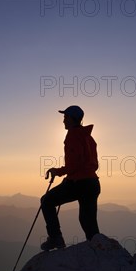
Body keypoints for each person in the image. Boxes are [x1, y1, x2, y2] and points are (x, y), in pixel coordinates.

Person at [41, 105, 100, 251]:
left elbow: (75, 163)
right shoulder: (88, 137)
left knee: (47, 201)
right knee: (88, 221)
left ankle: (55, 238)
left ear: (72, 119)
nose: (63, 121)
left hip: (78, 183)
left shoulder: (73, 135)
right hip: (92, 183)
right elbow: (91, 163)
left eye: (65, 117)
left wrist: (58, 171)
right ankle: (99, 249)